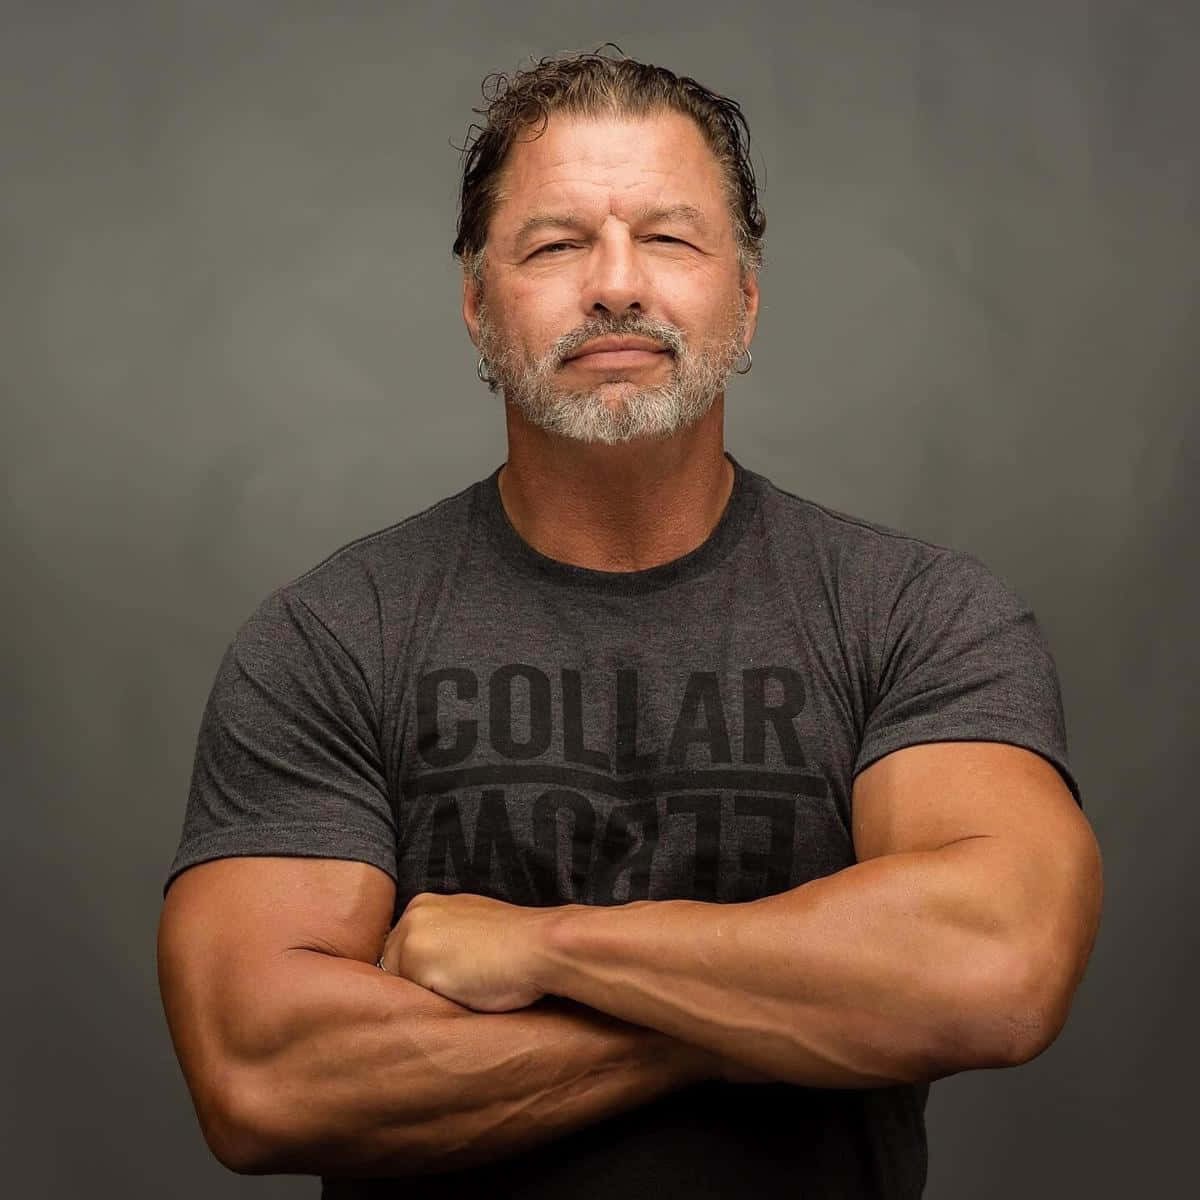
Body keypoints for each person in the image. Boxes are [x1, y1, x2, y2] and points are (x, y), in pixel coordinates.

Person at [157, 49, 1103, 1200]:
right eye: (557, 245)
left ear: (744, 298)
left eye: (668, 238)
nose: (615, 285)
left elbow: (995, 965)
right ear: (477, 305)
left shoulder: (915, 614)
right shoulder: (331, 639)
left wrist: (543, 949)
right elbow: (264, 1077)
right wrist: (767, 1020)